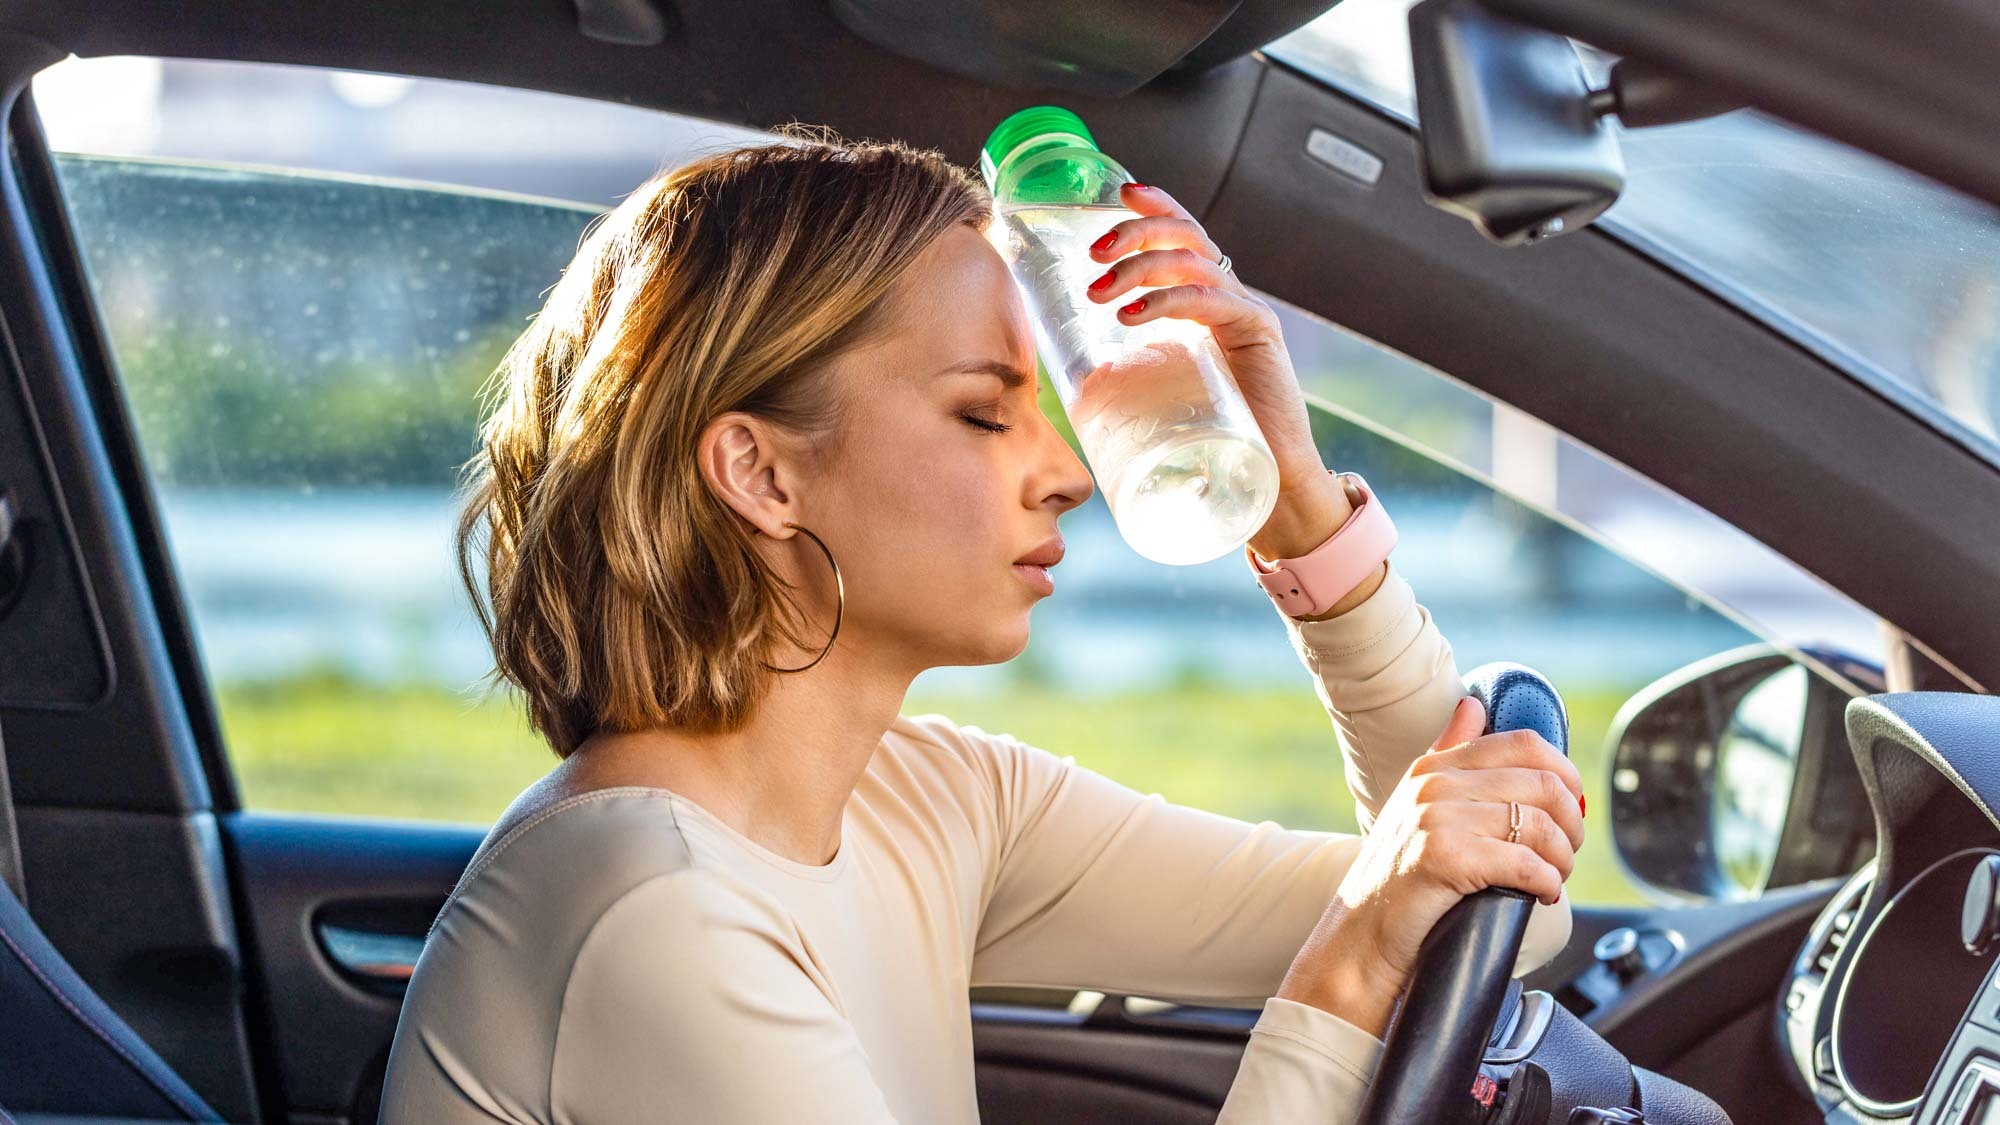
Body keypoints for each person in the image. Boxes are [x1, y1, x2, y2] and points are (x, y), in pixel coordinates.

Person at [376, 125, 1583, 1123]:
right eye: (983, 414)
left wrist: (1299, 507)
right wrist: (1354, 963)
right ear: (759, 474)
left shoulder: (931, 800)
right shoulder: (653, 908)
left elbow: (1500, 925)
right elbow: (1390, 939)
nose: (1066, 473)